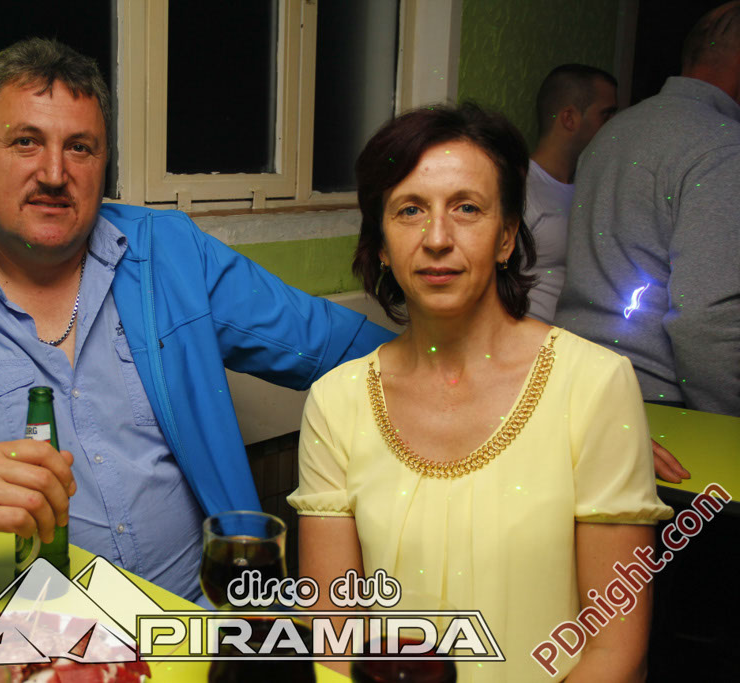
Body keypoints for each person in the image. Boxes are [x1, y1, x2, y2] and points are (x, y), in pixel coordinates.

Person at [0, 38, 394, 601]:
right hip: (32, 642)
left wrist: (449, 361)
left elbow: (335, 347)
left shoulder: (172, 255)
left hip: (205, 625)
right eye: (25, 142)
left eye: (80, 148)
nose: (54, 174)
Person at [288, 104, 672, 681]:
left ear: (506, 236)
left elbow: (614, 650)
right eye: (410, 210)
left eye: (467, 208)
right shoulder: (336, 404)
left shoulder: (595, 385)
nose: (437, 238)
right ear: (383, 246)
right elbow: (333, 637)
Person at [555, 2, 740, 417]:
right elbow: (707, 321)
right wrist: (726, 420)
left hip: (568, 382)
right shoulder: (724, 147)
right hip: (655, 407)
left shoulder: (613, 132)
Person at [524, 64, 617, 324]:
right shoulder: (521, 188)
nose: (616, 126)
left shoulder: (591, 187)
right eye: (606, 115)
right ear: (569, 119)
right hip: (531, 342)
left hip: (580, 341)